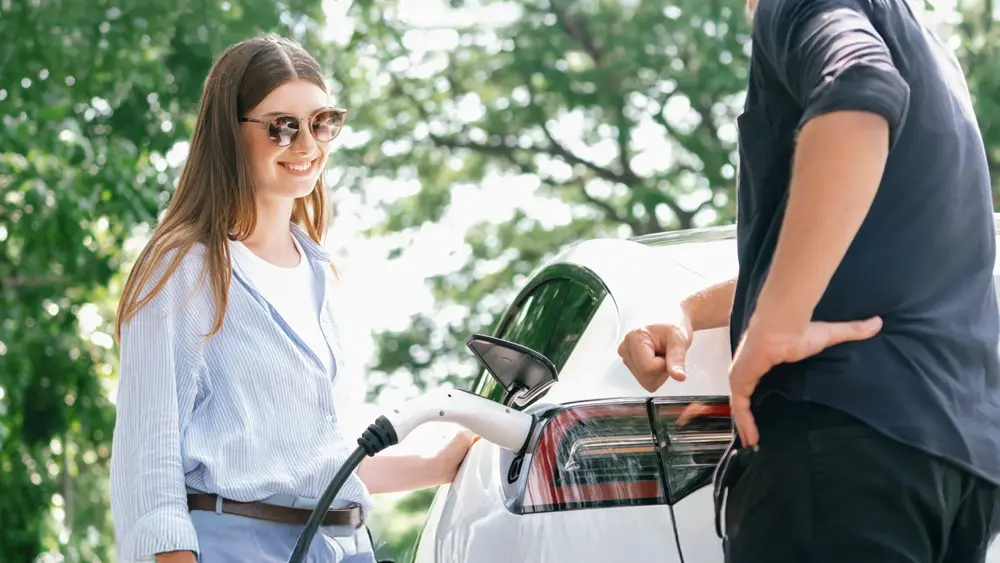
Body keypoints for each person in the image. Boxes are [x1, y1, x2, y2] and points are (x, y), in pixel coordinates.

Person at [619, 0, 1000, 561]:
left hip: (839, 445)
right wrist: (689, 310)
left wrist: (774, 325)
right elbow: (858, 245)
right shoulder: (932, 54)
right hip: (959, 470)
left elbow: (859, 87)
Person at [109, 35, 476, 563]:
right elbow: (147, 469)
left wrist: (445, 460)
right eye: (283, 127)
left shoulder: (324, 277)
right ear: (229, 133)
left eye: (321, 122)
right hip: (234, 547)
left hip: (345, 547)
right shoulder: (184, 269)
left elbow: (310, 465)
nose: (307, 145)